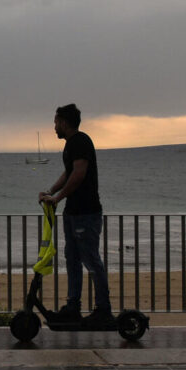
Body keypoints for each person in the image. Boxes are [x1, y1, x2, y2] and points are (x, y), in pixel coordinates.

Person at [38, 103, 113, 327]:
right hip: (73, 213)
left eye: (55, 122)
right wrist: (51, 191)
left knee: (91, 260)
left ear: (63, 122)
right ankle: (73, 306)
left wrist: (57, 199)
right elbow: (68, 172)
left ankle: (104, 310)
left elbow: (79, 174)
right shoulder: (72, 144)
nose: (54, 127)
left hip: (86, 213)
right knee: (72, 259)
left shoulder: (80, 141)